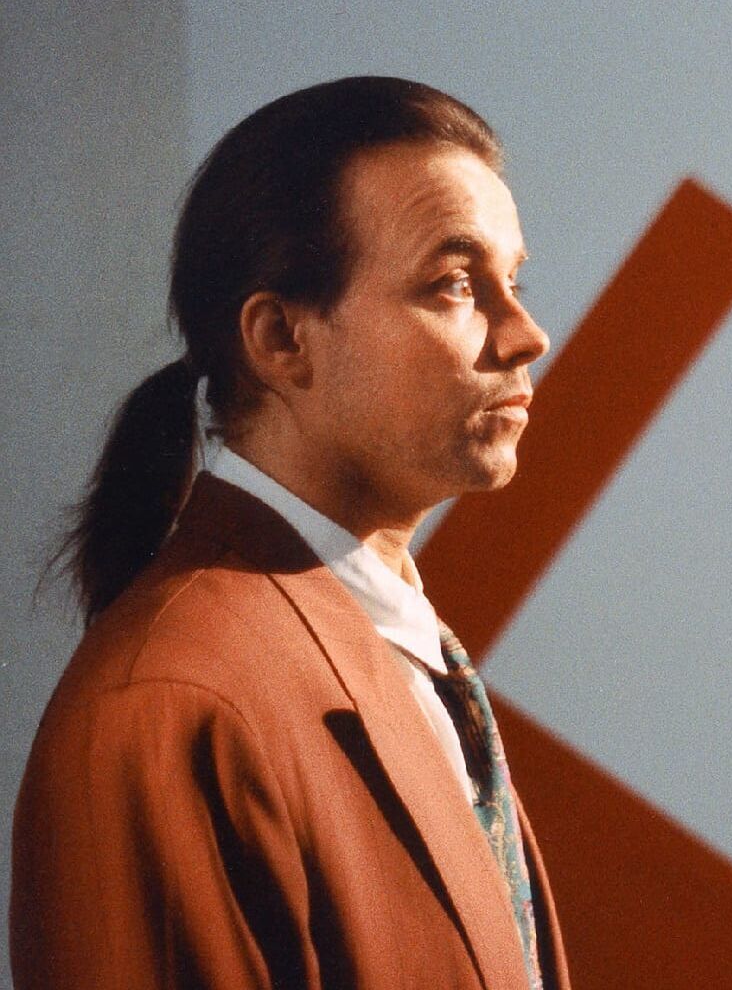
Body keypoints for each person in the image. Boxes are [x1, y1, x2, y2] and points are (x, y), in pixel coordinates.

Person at [12, 77, 569, 988]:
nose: (526, 335)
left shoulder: (388, 650)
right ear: (279, 339)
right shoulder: (173, 702)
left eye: (514, 281)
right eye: (455, 285)